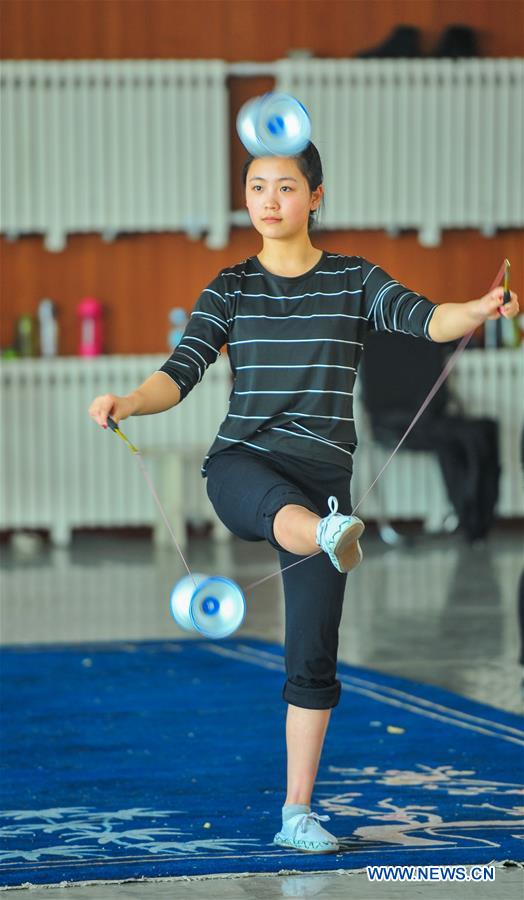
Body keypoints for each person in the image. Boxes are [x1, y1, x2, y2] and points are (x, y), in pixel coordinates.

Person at [89, 142, 519, 854]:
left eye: (285, 187)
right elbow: (181, 372)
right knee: (293, 517)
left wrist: (478, 307)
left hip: (327, 482)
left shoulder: (354, 280)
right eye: (257, 186)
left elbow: (426, 319)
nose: (269, 199)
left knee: (313, 655)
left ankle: (297, 814)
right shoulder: (230, 287)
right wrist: (129, 402)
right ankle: (324, 535)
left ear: (315, 197)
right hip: (243, 464)